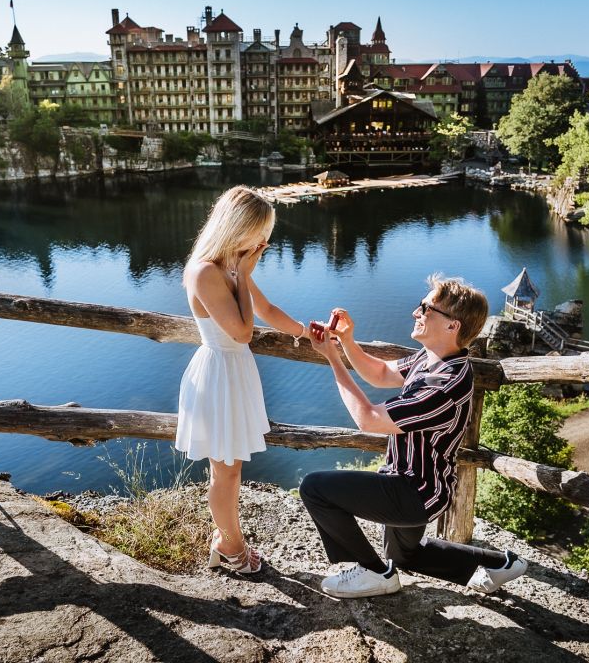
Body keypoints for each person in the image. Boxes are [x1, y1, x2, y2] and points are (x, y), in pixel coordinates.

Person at [300, 275, 528, 598]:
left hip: (414, 491)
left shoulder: (442, 386)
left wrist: (332, 358)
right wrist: (347, 342)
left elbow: (368, 418)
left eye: (426, 308)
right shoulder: (435, 357)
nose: (416, 312)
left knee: (314, 489)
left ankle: (375, 573)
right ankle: (501, 563)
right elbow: (381, 374)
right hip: (420, 484)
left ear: (453, 326)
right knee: (404, 555)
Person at [177, 185, 310, 575]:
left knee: (231, 468)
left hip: (235, 373)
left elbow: (265, 308)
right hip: (219, 372)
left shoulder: (231, 266)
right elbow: (242, 331)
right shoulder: (206, 271)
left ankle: (228, 539)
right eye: (260, 232)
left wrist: (305, 332)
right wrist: (243, 277)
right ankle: (230, 546)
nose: (264, 242)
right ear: (238, 227)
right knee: (226, 470)